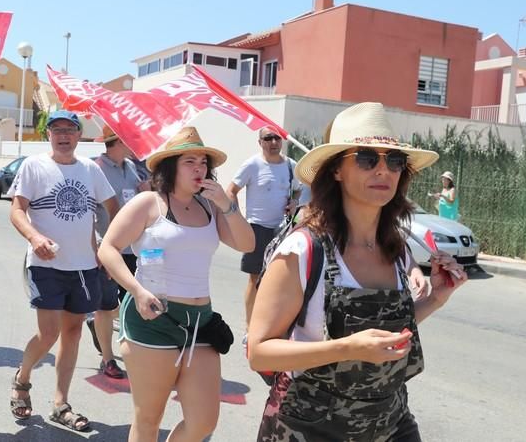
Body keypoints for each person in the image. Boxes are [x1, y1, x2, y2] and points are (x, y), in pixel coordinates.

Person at [249, 102, 468, 441]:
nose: (384, 170)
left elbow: (380, 338)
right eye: (367, 158)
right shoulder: (303, 250)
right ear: (337, 170)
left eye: (394, 161)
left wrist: (436, 298)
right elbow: (260, 351)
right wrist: (346, 348)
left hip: (391, 421)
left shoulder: (396, 250)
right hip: (309, 427)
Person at [98, 127, 255, 442]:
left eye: (203, 163)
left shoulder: (210, 206)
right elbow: (108, 249)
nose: (199, 169)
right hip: (151, 319)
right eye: (190, 161)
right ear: (171, 166)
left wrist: (227, 204)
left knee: (203, 422)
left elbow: (247, 244)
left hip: (200, 322)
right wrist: (137, 291)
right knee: (149, 418)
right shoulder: (149, 203)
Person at [8, 110, 118, 432]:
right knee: (49, 334)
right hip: (46, 264)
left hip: (85, 267)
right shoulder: (34, 166)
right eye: (57, 130)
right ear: (49, 135)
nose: (64, 135)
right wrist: (35, 237)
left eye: (70, 129)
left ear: (79, 135)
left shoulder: (90, 170)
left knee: (73, 333)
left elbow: (113, 209)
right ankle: (23, 378)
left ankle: (60, 404)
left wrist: (104, 246)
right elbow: (17, 210)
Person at [87, 126, 150, 379]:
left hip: (134, 246)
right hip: (108, 247)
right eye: (130, 140)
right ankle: (107, 359)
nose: (135, 144)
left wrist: (146, 190)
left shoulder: (131, 167)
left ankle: (132, 352)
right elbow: (90, 214)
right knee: (106, 305)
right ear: (117, 141)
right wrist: (96, 249)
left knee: (132, 301)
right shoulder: (96, 168)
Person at [226, 129, 301, 329]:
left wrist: (294, 201)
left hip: (282, 230)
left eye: (277, 137)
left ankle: (272, 324)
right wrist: (238, 219)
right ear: (260, 142)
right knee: (255, 278)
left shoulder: (290, 166)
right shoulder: (253, 164)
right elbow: (231, 191)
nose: (273, 142)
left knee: (280, 279)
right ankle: (250, 327)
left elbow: (298, 190)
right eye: (268, 138)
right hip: (257, 228)